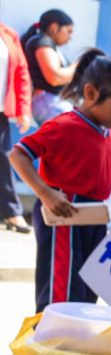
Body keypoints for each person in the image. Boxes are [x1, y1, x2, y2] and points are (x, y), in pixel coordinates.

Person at [10, 49, 111, 312]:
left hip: (94, 217)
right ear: (91, 93)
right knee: (61, 290)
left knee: (87, 287)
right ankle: (54, 343)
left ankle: (77, 341)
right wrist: (46, 194)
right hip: (64, 213)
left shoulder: (108, 134)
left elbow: (110, 170)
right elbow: (19, 155)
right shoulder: (64, 126)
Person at [1, 20, 32, 233]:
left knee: (2, 159)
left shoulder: (8, 34)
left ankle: (11, 211)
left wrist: (24, 109)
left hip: (0, 110)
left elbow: (21, 72)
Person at [20, 10, 75, 125]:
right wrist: (77, 67)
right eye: (69, 31)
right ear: (54, 27)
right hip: (48, 101)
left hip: (49, 102)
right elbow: (54, 78)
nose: (70, 37)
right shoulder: (43, 41)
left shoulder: (43, 42)